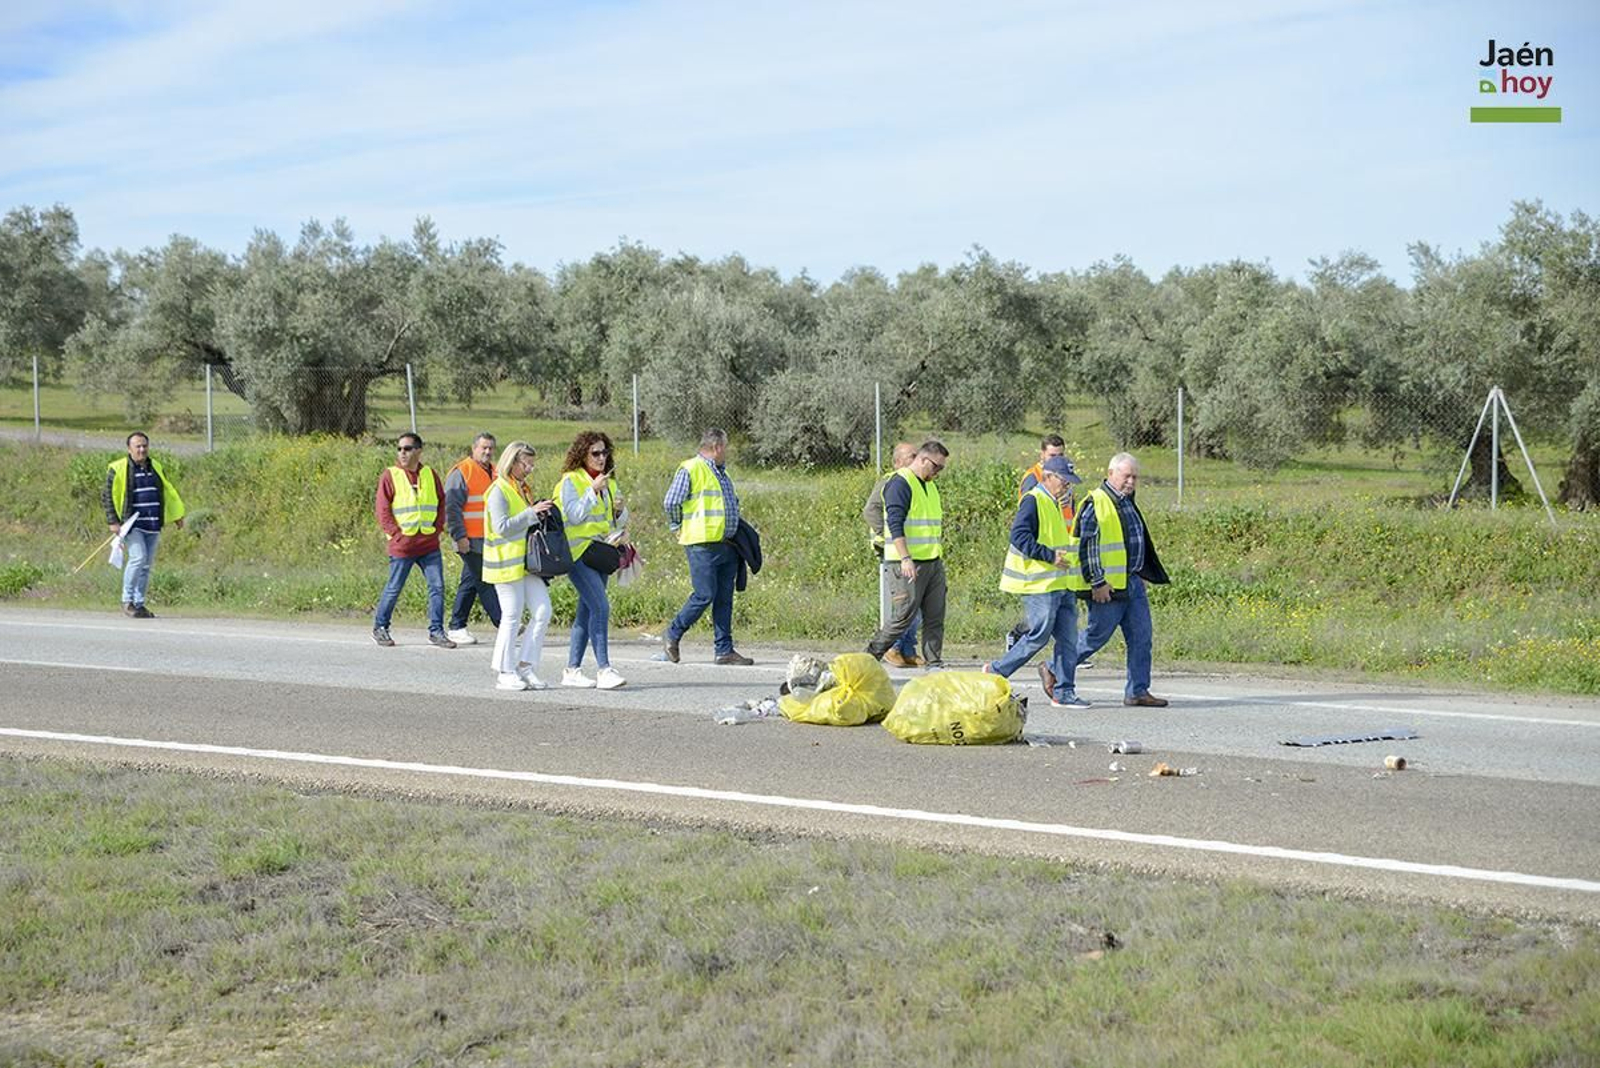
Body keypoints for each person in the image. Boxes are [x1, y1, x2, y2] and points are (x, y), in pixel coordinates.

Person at [982, 455, 1091, 707]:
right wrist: (1050, 555)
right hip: (1038, 584)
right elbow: (1019, 536)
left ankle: (1064, 692)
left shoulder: (1055, 501)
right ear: (1048, 477)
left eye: (1070, 482)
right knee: (1039, 636)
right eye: (1064, 481)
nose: (1068, 486)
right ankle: (997, 671)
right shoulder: (1033, 500)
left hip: (1060, 583)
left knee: (1068, 640)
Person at [1075, 452, 1172, 706]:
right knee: (1096, 636)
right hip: (1108, 586)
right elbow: (1088, 546)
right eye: (1126, 475)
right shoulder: (1097, 502)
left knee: (1142, 637)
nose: (1131, 481)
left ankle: (1137, 691)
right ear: (1110, 474)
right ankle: (1054, 667)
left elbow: (1132, 539)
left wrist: (1142, 572)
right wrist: (1097, 582)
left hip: (1132, 582)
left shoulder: (1127, 501)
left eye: (1134, 477)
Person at [660, 427, 752, 665]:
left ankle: (724, 650)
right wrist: (675, 525)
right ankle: (673, 632)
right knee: (704, 595)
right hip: (702, 544)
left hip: (727, 544)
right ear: (717, 447)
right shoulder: (691, 468)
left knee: (724, 598)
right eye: (726, 447)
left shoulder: (723, 473)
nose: (727, 452)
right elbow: (671, 501)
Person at [866, 440, 949, 668]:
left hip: (932, 560)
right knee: (902, 616)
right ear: (923, 460)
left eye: (941, 468)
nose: (938, 472)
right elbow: (895, 522)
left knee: (935, 616)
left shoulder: (929, 485)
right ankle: (869, 656)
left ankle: (934, 662)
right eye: (936, 467)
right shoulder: (899, 483)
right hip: (907, 563)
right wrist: (905, 557)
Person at [555, 430, 627, 690]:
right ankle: (604, 669)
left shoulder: (610, 483)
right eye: (595, 453)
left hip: (601, 553)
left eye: (605, 452)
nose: (601, 458)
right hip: (578, 553)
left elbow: (614, 519)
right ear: (582, 455)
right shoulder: (571, 481)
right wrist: (592, 491)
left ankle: (572, 669)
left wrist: (620, 513)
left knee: (586, 611)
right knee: (600, 607)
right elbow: (573, 516)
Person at [483, 441, 557, 690]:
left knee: (542, 611)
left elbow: (525, 523)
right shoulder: (498, 490)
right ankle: (505, 671)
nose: (529, 469)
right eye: (526, 464)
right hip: (504, 564)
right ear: (512, 462)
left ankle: (526, 665)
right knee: (512, 616)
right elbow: (501, 527)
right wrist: (531, 513)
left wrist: (539, 513)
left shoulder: (522, 488)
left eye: (532, 465)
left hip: (525, 564)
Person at [372, 432, 454, 649]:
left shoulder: (429, 474)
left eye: (407, 449)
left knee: (437, 587)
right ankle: (381, 627)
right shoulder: (390, 475)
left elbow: (441, 502)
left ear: (418, 450)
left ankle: (436, 631)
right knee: (394, 588)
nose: (402, 453)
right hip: (403, 545)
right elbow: (382, 510)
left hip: (429, 544)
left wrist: (437, 528)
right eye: (399, 449)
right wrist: (397, 534)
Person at [102, 431, 186, 618]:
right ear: (129, 448)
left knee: (146, 565)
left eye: (144, 446)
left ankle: (139, 604)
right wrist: (113, 521)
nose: (142, 449)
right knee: (138, 558)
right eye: (137, 446)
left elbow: (167, 493)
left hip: (153, 522)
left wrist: (177, 515)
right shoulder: (117, 468)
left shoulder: (155, 466)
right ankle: (128, 600)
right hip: (132, 524)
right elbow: (108, 496)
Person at [863, 441, 922, 668]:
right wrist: (886, 535)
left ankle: (908, 649)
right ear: (897, 462)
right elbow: (871, 511)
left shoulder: (917, 482)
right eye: (911, 456)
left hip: (918, 552)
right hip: (897, 554)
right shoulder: (890, 481)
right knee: (904, 604)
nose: (916, 459)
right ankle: (893, 648)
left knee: (917, 605)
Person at [443, 432, 501, 645]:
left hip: (488, 539)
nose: (487, 451)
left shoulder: (495, 472)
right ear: (473, 448)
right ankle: (503, 623)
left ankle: (457, 626)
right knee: (484, 579)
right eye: (483, 447)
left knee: (470, 582)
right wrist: (459, 536)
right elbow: (452, 508)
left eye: (490, 448)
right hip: (468, 538)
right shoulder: (462, 472)